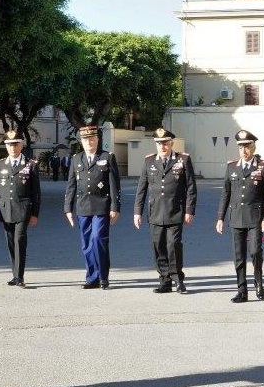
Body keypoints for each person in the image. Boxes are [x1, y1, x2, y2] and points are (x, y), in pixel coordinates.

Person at [133, 127, 197, 294]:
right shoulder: (149, 161)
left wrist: (190, 210)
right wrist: (137, 212)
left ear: (171, 143)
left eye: (165, 143)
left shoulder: (183, 160)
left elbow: (191, 187)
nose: (162, 147)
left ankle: (177, 279)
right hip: (155, 212)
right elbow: (141, 188)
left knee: (173, 245)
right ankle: (164, 280)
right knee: (158, 246)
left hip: (175, 211)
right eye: (159, 144)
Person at [216, 130, 264, 303]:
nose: (244, 150)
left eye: (247, 146)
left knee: (255, 251)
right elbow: (225, 193)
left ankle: (258, 283)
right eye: (241, 147)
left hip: (255, 217)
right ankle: (242, 291)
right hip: (236, 217)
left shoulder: (263, 166)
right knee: (238, 256)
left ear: (253, 147)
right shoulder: (231, 166)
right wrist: (220, 217)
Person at [64, 123, 121, 289]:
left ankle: (103, 276)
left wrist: (115, 207)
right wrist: (68, 208)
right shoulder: (76, 159)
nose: (89, 142)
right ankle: (92, 278)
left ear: (97, 139)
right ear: (81, 141)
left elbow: (114, 185)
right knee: (87, 244)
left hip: (102, 206)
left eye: (92, 138)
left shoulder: (107, 157)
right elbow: (71, 185)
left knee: (98, 238)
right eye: (85, 139)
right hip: (83, 207)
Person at [0, 130, 40, 287]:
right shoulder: (0, 164)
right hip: (5, 209)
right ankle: (15, 274)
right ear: (6, 146)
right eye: (9, 144)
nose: (12, 147)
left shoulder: (30, 164)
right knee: (10, 242)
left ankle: (20, 277)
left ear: (22, 145)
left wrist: (35, 214)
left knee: (19, 240)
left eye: (15, 144)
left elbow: (36, 192)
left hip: (24, 208)